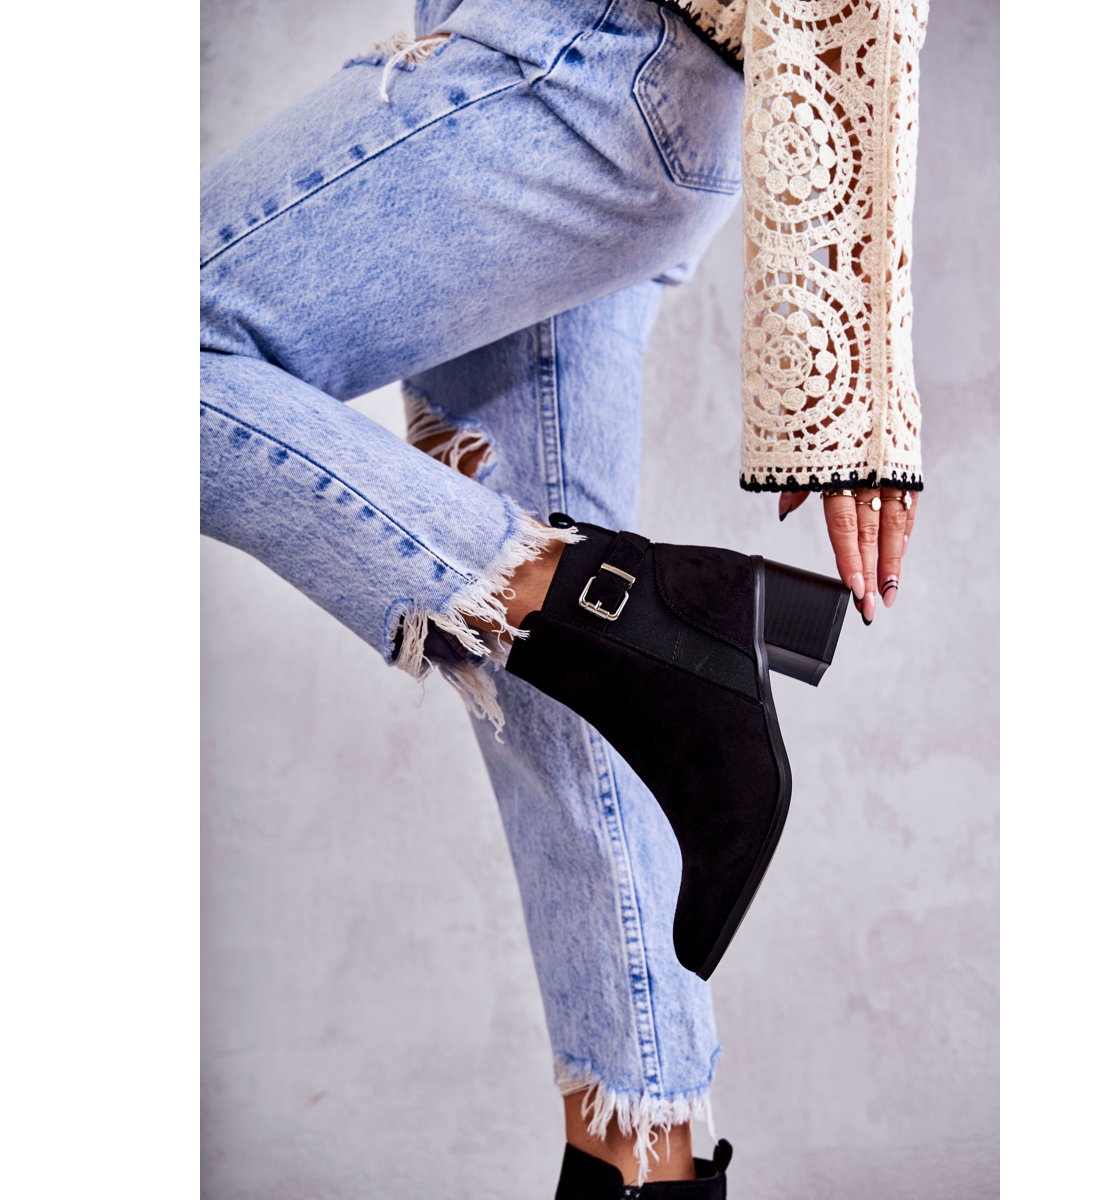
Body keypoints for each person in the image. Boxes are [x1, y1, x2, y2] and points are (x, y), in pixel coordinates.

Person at [201, 0, 928, 1193]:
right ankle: (641, 1167)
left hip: (575, 59)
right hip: (599, 80)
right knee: (572, 705)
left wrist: (846, 376)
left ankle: (624, 612)